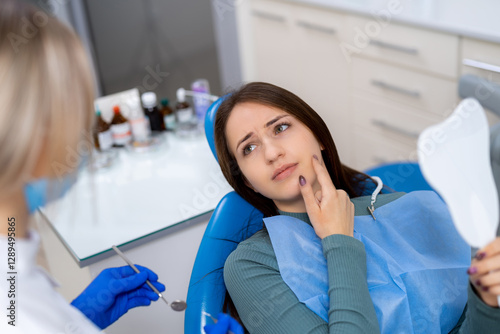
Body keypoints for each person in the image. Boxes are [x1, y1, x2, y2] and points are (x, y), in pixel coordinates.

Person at [0, 1, 242, 333]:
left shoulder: (11, 249)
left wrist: (77, 317)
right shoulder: (21, 313)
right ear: (31, 134)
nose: (86, 127)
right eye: (76, 107)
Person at [213, 82, 500, 333]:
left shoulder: (402, 208)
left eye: (281, 127)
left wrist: (486, 300)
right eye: (248, 148)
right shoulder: (252, 264)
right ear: (247, 182)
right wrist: (339, 241)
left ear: (320, 138)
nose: (272, 153)